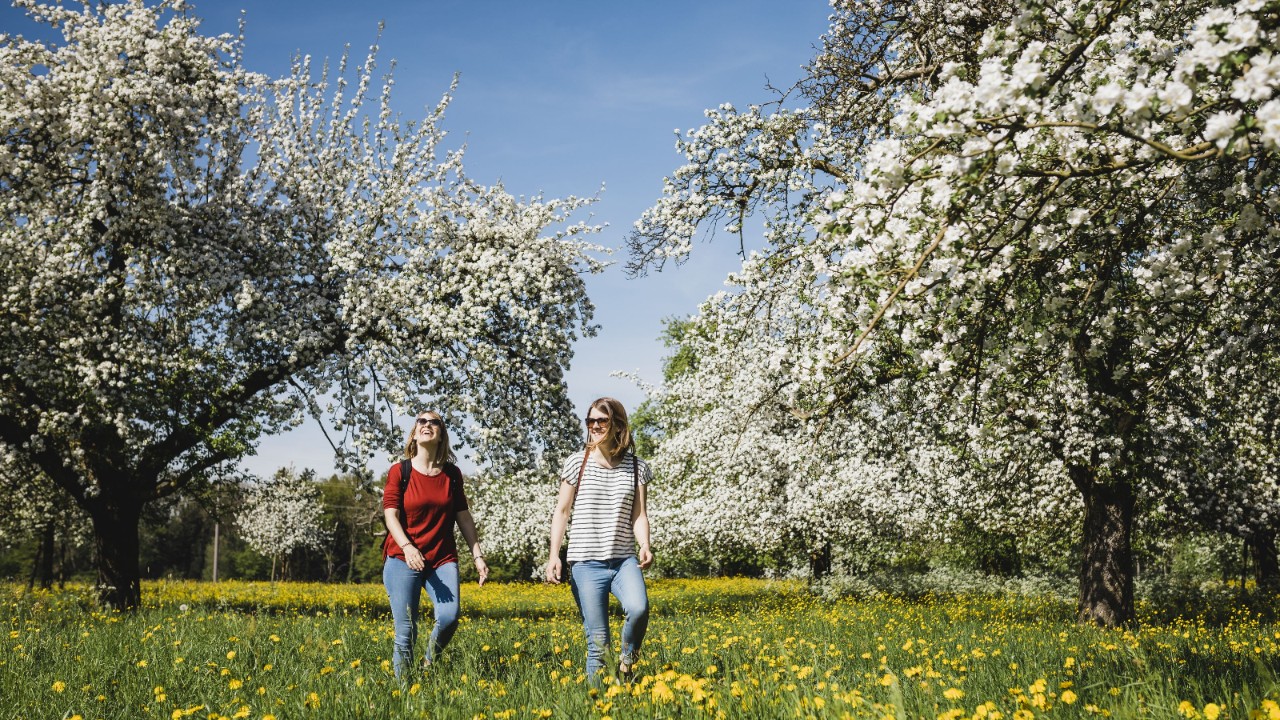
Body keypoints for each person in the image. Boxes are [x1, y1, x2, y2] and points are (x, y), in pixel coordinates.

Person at [546, 397, 654, 684]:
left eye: (601, 421)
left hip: (623, 560)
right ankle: (597, 706)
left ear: (617, 424)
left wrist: (644, 544)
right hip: (585, 563)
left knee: (639, 608)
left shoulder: (636, 468)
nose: (594, 426)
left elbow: (639, 515)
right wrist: (554, 555)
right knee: (599, 644)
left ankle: (628, 661)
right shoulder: (576, 462)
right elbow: (562, 511)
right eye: (590, 420)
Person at [382, 411, 489, 678]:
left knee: (450, 616)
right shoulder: (400, 471)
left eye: (434, 422)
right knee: (406, 629)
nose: (427, 425)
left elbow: (462, 515)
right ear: (415, 432)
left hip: (441, 559)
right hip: (401, 558)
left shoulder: (452, 475)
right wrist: (407, 547)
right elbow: (390, 515)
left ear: (441, 433)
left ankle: (429, 663)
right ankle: (403, 691)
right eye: (422, 421)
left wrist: (477, 555)